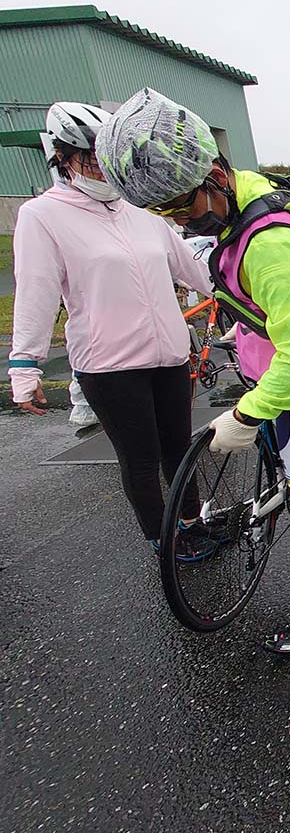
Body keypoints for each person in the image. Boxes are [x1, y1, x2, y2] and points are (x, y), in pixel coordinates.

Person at [97, 88, 290, 653]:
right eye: (168, 212)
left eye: (184, 206)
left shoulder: (269, 247)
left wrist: (247, 413)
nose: (183, 220)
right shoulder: (250, 189)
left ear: (214, 174)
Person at [8, 101, 213, 557]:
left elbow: (193, 269)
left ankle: (192, 522)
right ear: (62, 157)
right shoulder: (42, 216)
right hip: (109, 364)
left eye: (109, 157)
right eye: (89, 159)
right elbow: (35, 293)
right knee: (141, 459)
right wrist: (25, 368)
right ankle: (165, 540)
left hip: (169, 355)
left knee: (180, 449)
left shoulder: (141, 210)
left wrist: (251, 292)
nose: (102, 169)